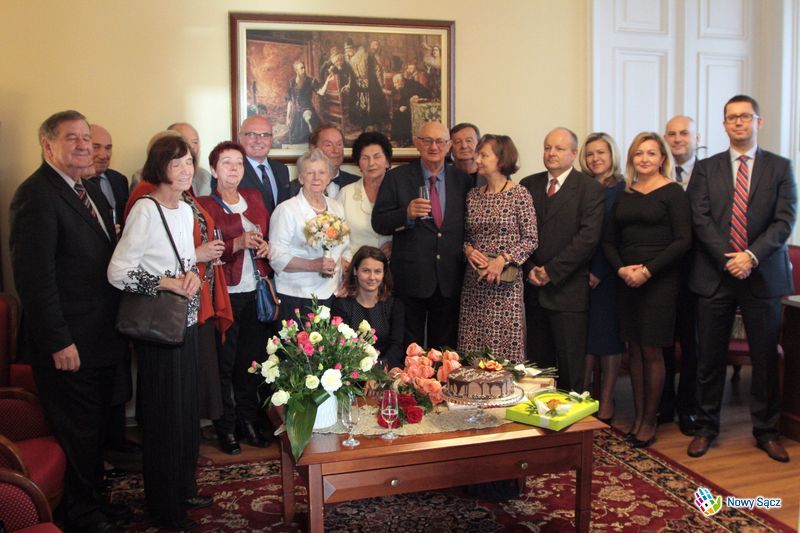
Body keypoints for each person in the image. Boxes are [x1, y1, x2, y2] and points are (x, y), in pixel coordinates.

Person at [10, 110, 129, 532]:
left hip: (99, 337)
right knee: (77, 430)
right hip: (68, 343)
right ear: (48, 145)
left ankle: (93, 501)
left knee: (94, 428)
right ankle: (80, 515)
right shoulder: (36, 195)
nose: (83, 146)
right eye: (72, 138)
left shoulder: (87, 188)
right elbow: (35, 281)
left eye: (85, 137)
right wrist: (59, 341)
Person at [687, 95, 797, 462]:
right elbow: (700, 217)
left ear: (758, 122)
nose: (738, 122)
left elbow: (785, 219)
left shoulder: (780, 167)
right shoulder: (706, 168)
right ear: (724, 125)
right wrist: (729, 258)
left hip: (762, 275)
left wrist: (750, 257)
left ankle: (766, 431)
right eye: (732, 117)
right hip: (715, 275)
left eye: (745, 117)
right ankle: (705, 427)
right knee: (709, 357)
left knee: (764, 358)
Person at [107, 135, 210, 530]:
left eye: (189, 162)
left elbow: (183, 260)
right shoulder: (145, 210)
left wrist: (191, 276)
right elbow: (117, 272)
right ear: (159, 166)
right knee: (164, 420)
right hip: (158, 329)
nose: (185, 170)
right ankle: (165, 508)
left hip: (185, 323)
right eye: (176, 163)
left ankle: (183, 488)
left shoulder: (184, 209)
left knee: (185, 415)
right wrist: (167, 283)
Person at [603, 132, 692, 448]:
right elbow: (609, 241)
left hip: (660, 281)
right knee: (635, 350)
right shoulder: (625, 194)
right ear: (631, 159)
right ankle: (639, 417)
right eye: (639, 153)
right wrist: (621, 269)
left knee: (652, 351)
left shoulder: (673, 192)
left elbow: (683, 240)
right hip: (627, 280)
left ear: (662, 158)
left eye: (651, 153)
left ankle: (649, 421)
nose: (644, 159)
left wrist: (648, 271)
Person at [198, 141, 272, 453]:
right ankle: (226, 429)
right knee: (224, 366)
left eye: (239, 163)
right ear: (214, 170)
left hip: (256, 292)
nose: (233, 169)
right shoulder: (204, 204)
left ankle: (248, 422)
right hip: (224, 295)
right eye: (226, 163)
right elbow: (205, 249)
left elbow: (265, 235)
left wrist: (265, 247)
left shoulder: (254, 197)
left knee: (250, 363)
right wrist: (236, 244)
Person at [372, 122, 472, 349]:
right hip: (411, 278)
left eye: (440, 141)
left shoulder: (463, 180)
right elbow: (379, 222)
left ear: (449, 145)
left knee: (444, 351)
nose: (433, 147)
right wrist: (405, 214)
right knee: (410, 348)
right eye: (427, 141)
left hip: (449, 278)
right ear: (417, 143)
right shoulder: (397, 177)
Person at [520, 128, 605, 392]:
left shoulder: (590, 189)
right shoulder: (528, 184)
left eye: (559, 148)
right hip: (534, 290)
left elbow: (587, 239)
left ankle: (571, 418)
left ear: (574, 153)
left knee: (570, 368)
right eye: (547, 147)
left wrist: (551, 271)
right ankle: (538, 415)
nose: (552, 153)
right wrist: (530, 268)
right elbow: (518, 232)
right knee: (537, 370)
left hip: (568, 291)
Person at [459, 134, 537, 362]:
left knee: (503, 352)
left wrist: (502, 260)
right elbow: (465, 237)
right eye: (478, 155)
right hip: (475, 283)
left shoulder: (519, 194)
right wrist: (468, 249)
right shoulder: (472, 196)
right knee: (472, 348)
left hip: (506, 285)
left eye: (484, 155)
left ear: (501, 159)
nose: (478, 160)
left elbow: (531, 239)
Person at [577, 132, 626, 424]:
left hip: (609, 275)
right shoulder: (581, 186)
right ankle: (582, 397)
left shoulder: (621, 189)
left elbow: (616, 236)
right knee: (584, 339)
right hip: (579, 272)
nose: (595, 158)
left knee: (608, 339)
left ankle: (606, 398)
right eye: (590, 153)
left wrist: (599, 270)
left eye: (601, 153)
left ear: (612, 155)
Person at [269, 149, 351, 318]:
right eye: (310, 173)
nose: (316, 178)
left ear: (329, 178)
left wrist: (346, 278)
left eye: (321, 173)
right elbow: (276, 257)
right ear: (301, 178)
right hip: (297, 295)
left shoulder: (336, 207)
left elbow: (346, 249)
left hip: (333, 293)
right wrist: (314, 265)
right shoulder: (286, 210)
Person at [661, 114, 702, 435]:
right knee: (662, 342)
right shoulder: (656, 173)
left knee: (692, 345)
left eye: (684, 133)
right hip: (662, 273)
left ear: (696, 138)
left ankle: (689, 409)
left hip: (698, 273)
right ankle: (664, 404)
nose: (677, 139)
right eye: (672, 134)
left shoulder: (709, 172)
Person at [333, 246, 405, 369]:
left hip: (386, 369)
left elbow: (397, 346)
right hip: (352, 370)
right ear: (355, 271)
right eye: (366, 271)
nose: (372, 277)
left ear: (384, 274)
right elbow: (341, 346)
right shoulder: (342, 306)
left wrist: (380, 368)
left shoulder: (394, 305)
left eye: (377, 271)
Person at [336, 131, 393, 256]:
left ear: (387, 161)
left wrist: (396, 244)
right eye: (365, 158)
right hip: (354, 264)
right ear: (359, 164)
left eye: (377, 157)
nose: (371, 163)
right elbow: (336, 236)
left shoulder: (400, 191)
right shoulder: (346, 194)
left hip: (394, 263)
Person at [235, 115, 292, 215]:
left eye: (265, 135)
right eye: (251, 134)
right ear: (240, 137)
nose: (258, 141)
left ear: (271, 139)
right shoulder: (232, 170)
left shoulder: (282, 170)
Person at [290, 123, 360, 197]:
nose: (336, 150)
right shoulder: (293, 188)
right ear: (313, 148)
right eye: (328, 145)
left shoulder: (357, 183)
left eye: (339, 144)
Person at [89, 124, 129, 229]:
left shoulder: (119, 180)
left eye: (108, 148)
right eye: (95, 147)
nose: (103, 155)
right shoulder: (74, 183)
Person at [168, 122, 214, 197]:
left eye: (195, 142)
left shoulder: (204, 176)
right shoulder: (152, 184)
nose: (191, 146)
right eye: (184, 141)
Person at [284, 60, 322, 145]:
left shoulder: (311, 81)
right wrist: (287, 117)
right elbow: (290, 101)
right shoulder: (291, 82)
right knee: (296, 140)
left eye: (304, 68)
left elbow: (321, 92)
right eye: (301, 68)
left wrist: (327, 82)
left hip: (308, 110)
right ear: (296, 70)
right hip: (296, 114)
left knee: (315, 137)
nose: (304, 70)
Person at [389, 74, 430, 147]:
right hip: (408, 107)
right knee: (397, 113)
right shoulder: (402, 87)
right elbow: (404, 99)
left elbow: (426, 93)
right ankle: (396, 139)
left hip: (416, 108)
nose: (394, 85)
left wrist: (418, 97)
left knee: (401, 115)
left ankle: (404, 138)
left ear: (400, 81)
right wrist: (401, 106)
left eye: (395, 83)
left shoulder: (412, 85)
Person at [449, 122, 485, 187]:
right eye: (458, 142)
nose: (464, 146)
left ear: (479, 144)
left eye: (469, 140)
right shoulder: (443, 176)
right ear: (450, 147)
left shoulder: (493, 176)